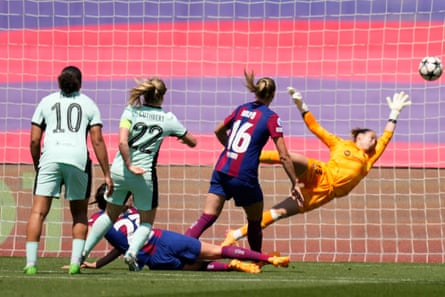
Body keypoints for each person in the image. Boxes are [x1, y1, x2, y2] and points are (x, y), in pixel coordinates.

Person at [222, 87, 412, 246]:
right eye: (372, 137)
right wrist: (301, 105)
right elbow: (316, 128)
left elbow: (386, 138)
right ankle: (245, 156)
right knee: (291, 158)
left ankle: (235, 235)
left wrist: (394, 113)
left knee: (276, 213)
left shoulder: (369, 158)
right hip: (321, 173)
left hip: (323, 193)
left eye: (375, 139)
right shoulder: (339, 144)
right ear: (359, 137)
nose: (375, 141)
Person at [81, 77, 197, 271]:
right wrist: (181, 138)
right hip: (144, 175)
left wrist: (128, 163)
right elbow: (193, 141)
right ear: (162, 96)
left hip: (119, 171)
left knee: (109, 215)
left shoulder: (130, 111)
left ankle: (81, 254)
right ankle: (132, 253)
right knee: (146, 222)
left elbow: (122, 142)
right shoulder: (168, 119)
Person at [184, 70, 300, 253]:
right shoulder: (271, 117)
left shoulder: (242, 109)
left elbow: (217, 130)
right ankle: (257, 259)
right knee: (255, 221)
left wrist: (230, 148)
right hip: (243, 176)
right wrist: (295, 182)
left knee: (207, 216)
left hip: (222, 169)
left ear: (256, 92)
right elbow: (284, 155)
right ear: (272, 95)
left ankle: (180, 247)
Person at [75, 184, 289, 274]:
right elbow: (122, 247)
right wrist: (97, 264)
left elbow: (122, 247)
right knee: (216, 250)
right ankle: (266, 258)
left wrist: (96, 264)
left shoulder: (101, 220)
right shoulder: (131, 210)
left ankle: (235, 266)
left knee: (198, 267)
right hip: (164, 239)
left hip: (153, 260)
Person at [24, 66, 114, 275]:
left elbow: (35, 139)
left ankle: (30, 264)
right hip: (77, 159)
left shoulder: (46, 102)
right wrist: (107, 173)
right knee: (79, 213)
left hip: (50, 158)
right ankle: (75, 263)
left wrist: (38, 163)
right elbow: (97, 140)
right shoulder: (89, 104)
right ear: (80, 83)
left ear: (59, 82)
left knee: (38, 212)